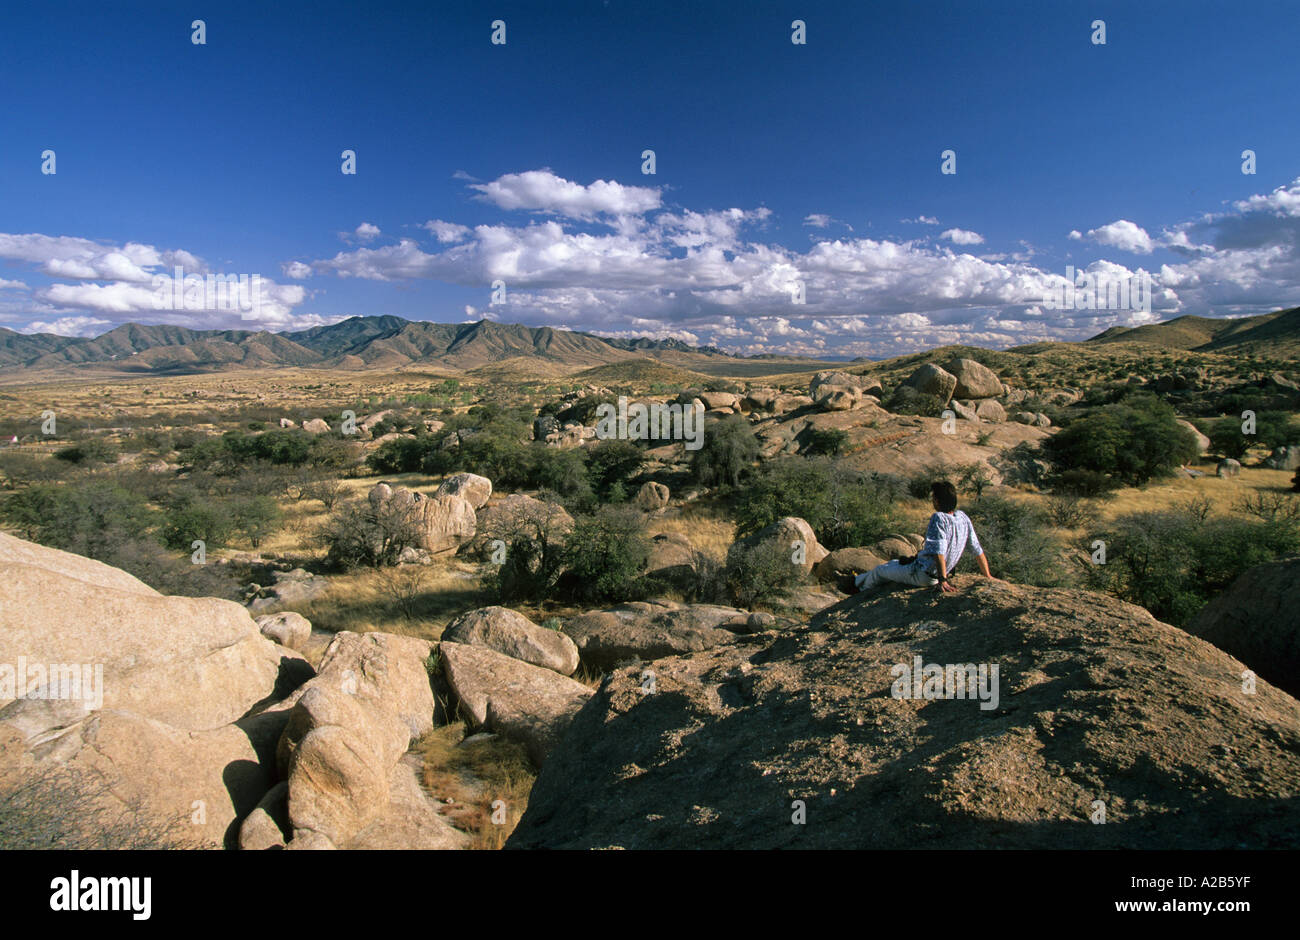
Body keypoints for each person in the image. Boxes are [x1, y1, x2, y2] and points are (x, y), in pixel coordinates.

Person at [854, 480, 1002, 594]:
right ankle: (856, 580)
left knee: (881, 570)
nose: (932, 501)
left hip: (925, 575)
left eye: (933, 498)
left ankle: (860, 591)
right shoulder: (963, 517)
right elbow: (977, 549)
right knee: (891, 564)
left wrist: (942, 581)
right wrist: (987, 575)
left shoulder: (938, 518)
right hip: (934, 571)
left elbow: (939, 551)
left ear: (937, 501)